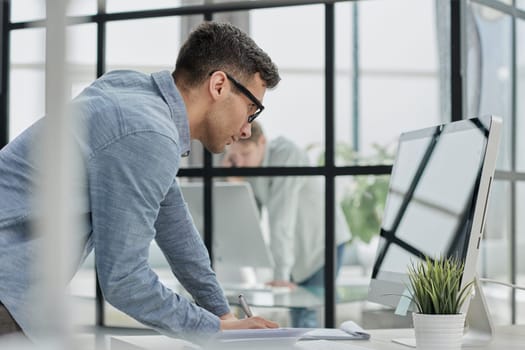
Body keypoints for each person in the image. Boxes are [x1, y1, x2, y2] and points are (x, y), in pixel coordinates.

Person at [0, 21, 281, 340]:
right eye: (251, 110)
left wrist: (223, 315)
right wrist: (212, 328)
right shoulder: (148, 133)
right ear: (218, 85)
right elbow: (124, 280)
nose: (247, 129)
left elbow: (176, 228)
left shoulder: (135, 94)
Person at [222, 121, 351, 328]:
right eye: (236, 156)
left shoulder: (286, 155)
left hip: (322, 243)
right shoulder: (248, 167)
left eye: (246, 154)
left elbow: (281, 217)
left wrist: (280, 276)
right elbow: (248, 218)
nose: (242, 162)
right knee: (298, 314)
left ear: (262, 142)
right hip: (295, 248)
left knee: (308, 312)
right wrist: (230, 179)